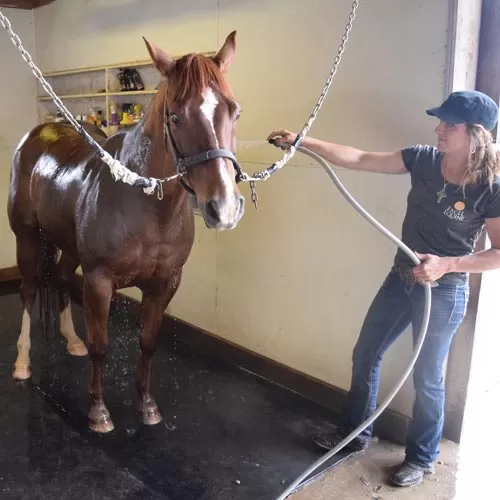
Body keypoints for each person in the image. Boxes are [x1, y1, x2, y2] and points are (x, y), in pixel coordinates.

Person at [267, 90, 500, 488]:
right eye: (440, 122)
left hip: (445, 292)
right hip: (401, 278)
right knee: (366, 353)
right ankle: (355, 436)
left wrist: (446, 265)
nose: (438, 129)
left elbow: (497, 253)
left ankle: (422, 458)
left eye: (449, 124)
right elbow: (357, 157)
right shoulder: (423, 159)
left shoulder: (490, 186)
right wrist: (303, 142)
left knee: (427, 378)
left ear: (476, 134)